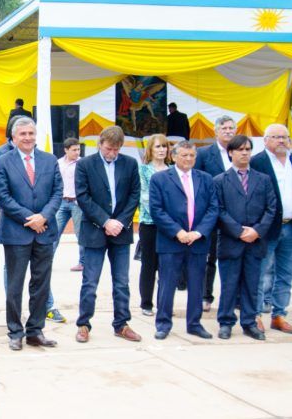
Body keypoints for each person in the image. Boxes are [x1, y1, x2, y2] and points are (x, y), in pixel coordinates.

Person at [0, 116, 63, 351]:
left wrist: (43, 216)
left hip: (45, 231)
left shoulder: (50, 160)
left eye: (31, 133)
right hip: (16, 233)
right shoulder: (3, 161)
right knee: (15, 285)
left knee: (41, 284)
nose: (28, 138)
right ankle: (15, 331)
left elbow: (58, 192)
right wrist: (30, 219)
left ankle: (35, 330)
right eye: (22, 134)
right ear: (13, 138)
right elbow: (3, 197)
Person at [74, 126, 141, 343]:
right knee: (90, 282)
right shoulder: (85, 164)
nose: (112, 153)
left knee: (121, 281)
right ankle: (84, 324)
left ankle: (121, 324)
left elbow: (134, 194)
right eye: (109, 148)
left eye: (116, 149)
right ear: (100, 143)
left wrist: (120, 222)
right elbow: (83, 197)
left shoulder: (130, 164)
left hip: (121, 232)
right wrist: (105, 221)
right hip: (95, 230)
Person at [150, 140, 219, 340]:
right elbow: (157, 210)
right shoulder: (160, 179)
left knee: (197, 283)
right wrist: (178, 232)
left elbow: (213, 208)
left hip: (197, 241)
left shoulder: (206, 179)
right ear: (174, 156)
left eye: (192, 156)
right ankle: (163, 324)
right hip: (171, 241)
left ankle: (194, 324)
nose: (188, 159)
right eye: (184, 156)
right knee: (167, 283)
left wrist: (198, 232)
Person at [214, 135, 276, 340]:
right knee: (229, 285)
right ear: (231, 152)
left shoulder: (263, 179)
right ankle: (225, 322)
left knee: (251, 285)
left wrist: (257, 231)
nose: (244, 153)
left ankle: (249, 322)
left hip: (255, 242)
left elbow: (271, 208)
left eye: (248, 149)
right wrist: (239, 231)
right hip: (231, 241)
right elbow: (219, 210)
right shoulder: (220, 181)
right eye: (240, 150)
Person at [250, 123, 292, 334]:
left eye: (284, 137)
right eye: (276, 137)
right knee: (260, 272)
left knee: (286, 273)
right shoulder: (256, 162)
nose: (281, 141)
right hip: (266, 229)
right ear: (265, 140)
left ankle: (279, 315)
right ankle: (255, 315)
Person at [194, 115, 237, 312]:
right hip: (210, 214)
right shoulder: (204, 154)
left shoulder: (240, 152)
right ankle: (205, 296)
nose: (228, 131)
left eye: (231, 128)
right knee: (209, 256)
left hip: (235, 214)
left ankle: (234, 297)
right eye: (224, 128)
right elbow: (197, 183)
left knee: (233, 257)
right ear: (216, 131)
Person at [138, 134, 171, 316]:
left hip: (170, 227)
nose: (161, 150)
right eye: (158, 147)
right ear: (150, 149)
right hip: (150, 223)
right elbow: (145, 197)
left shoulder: (172, 170)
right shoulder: (143, 170)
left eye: (164, 146)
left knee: (167, 265)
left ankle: (164, 303)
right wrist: (163, 218)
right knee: (149, 264)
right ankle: (146, 303)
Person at [56, 138, 85, 277]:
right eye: (74, 149)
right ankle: (46, 260)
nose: (77, 152)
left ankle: (83, 262)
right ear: (66, 150)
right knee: (54, 232)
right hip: (62, 202)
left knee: (80, 234)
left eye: (78, 149)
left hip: (77, 203)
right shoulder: (58, 163)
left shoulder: (82, 163)